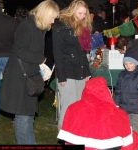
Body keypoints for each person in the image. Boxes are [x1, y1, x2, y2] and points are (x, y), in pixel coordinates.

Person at [0, 0, 59, 144]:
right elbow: (19, 50)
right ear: (44, 14)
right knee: (23, 118)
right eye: (51, 17)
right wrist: (41, 58)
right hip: (20, 77)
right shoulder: (27, 25)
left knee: (28, 117)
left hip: (29, 75)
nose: (52, 21)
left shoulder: (39, 27)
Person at [57, 77, 138, 150]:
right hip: (110, 148)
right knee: (134, 136)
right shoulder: (119, 113)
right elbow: (128, 143)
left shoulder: (73, 108)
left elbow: (67, 139)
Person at [52, 0, 92, 129]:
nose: (82, 16)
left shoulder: (83, 28)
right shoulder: (60, 27)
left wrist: (86, 72)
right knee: (68, 105)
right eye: (80, 13)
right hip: (67, 70)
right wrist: (61, 76)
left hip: (80, 70)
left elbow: (83, 53)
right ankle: (64, 134)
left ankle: (77, 133)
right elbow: (57, 53)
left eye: (84, 14)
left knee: (80, 104)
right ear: (72, 11)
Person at [114, 51, 138, 135]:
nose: (128, 66)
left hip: (135, 108)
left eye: (130, 63)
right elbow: (118, 91)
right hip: (123, 107)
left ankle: (137, 142)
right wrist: (116, 103)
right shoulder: (122, 75)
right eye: (126, 64)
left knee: (135, 128)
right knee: (125, 127)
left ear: (136, 63)